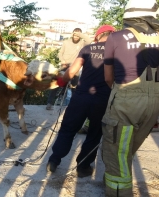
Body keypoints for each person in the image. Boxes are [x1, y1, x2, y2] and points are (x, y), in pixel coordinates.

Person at [102, 0, 159, 196]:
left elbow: (108, 77)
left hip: (127, 99)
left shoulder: (116, 37)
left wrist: (119, 94)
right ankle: (114, 177)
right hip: (155, 103)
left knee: (117, 149)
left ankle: (118, 191)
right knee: (130, 145)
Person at [46, 25, 115, 178]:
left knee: (67, 129)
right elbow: (110, 78)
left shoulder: (88, 48)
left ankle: (54, 160)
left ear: (97, 36)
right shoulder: (116, 52)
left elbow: (71, 71)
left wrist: (62, 82)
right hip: (101, 100)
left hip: (80, 98)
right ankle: (83, 167)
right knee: (94, 134)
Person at [46, 28, 92, 110]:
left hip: (75, 68)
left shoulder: (82, 43)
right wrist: (63, 61)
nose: (76, 37)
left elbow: (89, 41)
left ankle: (74, 106)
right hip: (64, 67)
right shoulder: (66, 42)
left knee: (74, 88)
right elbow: (60, 53)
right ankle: (49, 103)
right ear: (72, 34)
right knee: (56, 85)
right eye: (75, 34)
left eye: (78, 35)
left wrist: (80, 34)